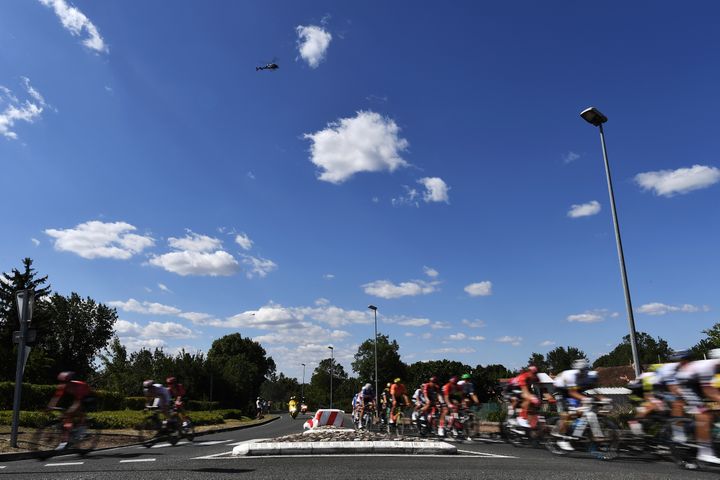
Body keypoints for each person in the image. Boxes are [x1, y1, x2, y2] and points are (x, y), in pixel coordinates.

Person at [675, 349, 720, 464]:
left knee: (715, 410)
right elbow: (708, 390)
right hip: (687, 383)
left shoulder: (716, 367)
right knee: (704, 414)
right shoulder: (707, 367)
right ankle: (705, 453)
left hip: (698, 383)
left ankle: (699, 430)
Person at [552, 359, 594, 451]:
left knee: (583, 409)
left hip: (572, 389)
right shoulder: (571, 375)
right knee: (567, 414)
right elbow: (571, 393)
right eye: (581, 371)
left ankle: (575, 431)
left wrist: (602, 398)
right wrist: (585, 398)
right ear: (577, 370)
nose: (583, 372)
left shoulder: (588, 376)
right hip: (561, 391)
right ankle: (561, 439)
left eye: (585, 370)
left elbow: (593, 390)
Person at [47, 371, 92, 450]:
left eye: (65, 382)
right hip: (76, 397)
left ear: (70, 382)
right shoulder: (62, 386)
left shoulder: (78, 386)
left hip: (87, 397)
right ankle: (68, 439)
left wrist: (71, 410)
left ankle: (83, 432)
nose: (63, 384)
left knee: (76, 412)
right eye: (61, 382)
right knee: (66, 415)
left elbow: (78, 402)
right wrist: (50, 407)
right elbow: (56, 398)